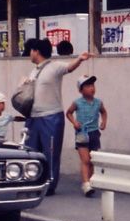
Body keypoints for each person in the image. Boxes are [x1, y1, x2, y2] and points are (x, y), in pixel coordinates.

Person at [22, 38, 92, 195]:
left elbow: (69, 68)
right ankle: (34, 181)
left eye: (30, 51)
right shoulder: (34, 71)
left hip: (51, 117)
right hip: (33, 117)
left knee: (51, 153)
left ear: (36, 51)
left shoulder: (55, 66)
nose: (29, 55)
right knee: (32, 151)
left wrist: (80, 59)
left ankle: (49, 184)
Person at [66, 74, 107, 197]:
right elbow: (68, 113)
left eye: (93, 85)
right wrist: (74, 122)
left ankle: (90, 181)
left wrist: (104, 122)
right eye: (88, 86)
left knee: (92, 160)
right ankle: (86, 183)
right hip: (82, 133)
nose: (92, 88)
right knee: (85, 160)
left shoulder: (98, 102)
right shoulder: (77, 103)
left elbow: (104, 112)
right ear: (81, 90)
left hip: (94, 132)